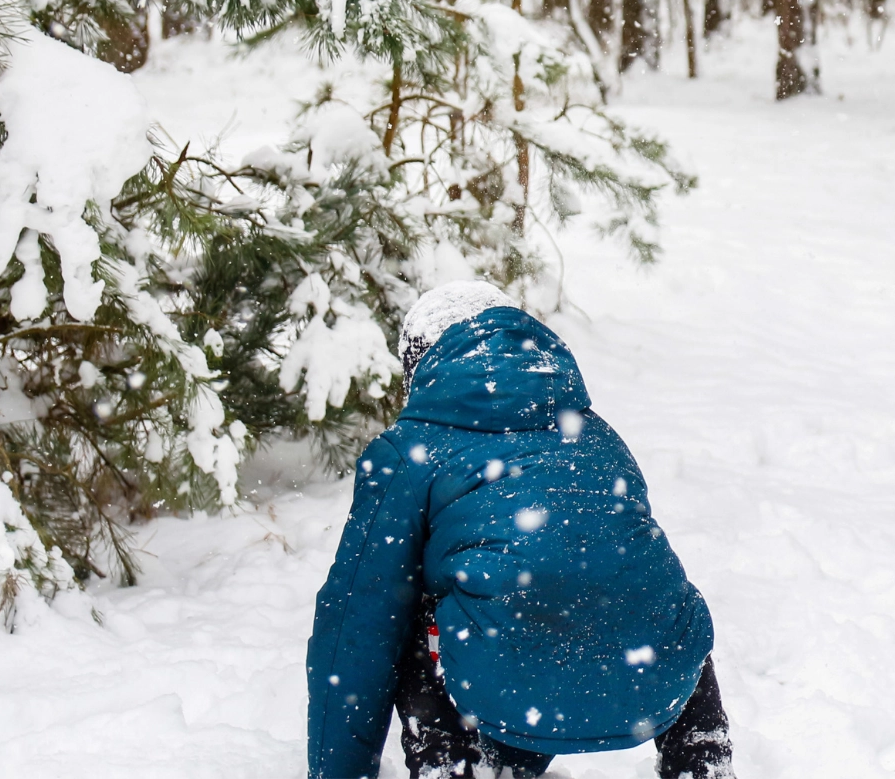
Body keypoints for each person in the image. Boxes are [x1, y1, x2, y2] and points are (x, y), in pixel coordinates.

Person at [305, 280, 733, 779]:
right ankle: (702, 759)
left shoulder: (410, 450)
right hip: (655, 681)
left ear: (420, 369)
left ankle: (453, 766)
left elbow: (358, 624)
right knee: (649, 592)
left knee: (409, 603)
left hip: (506, 687)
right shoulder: (595, 433)